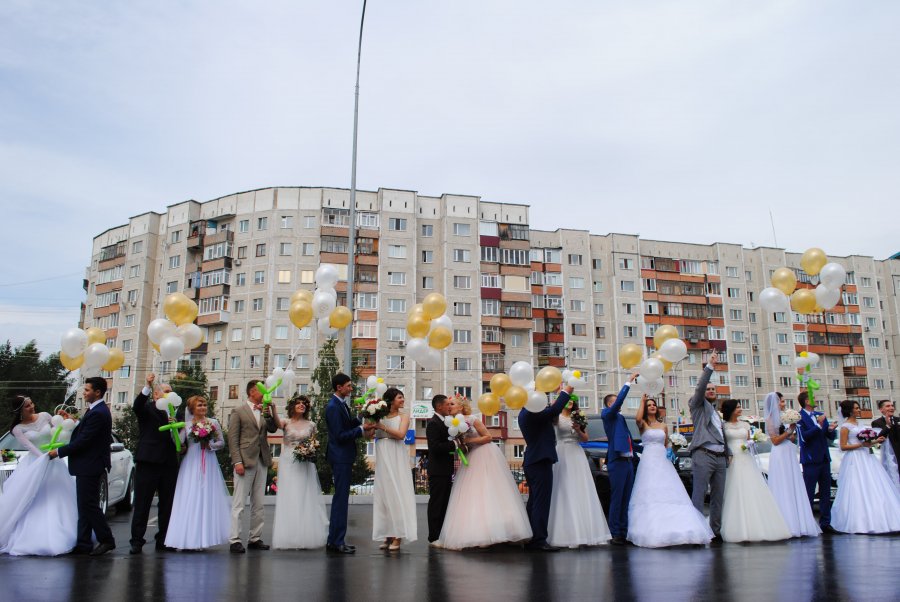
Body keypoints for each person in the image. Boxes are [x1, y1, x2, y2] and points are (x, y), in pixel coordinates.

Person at [437, 396, 532, 550]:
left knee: (488, 490)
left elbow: (488, 437)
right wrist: (460, 445)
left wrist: (468, 441)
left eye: (452, 404)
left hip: (484, 454)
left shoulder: (472, 419)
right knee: (472, 493)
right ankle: (477, 532)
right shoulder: (452, 423)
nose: (449, 406)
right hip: (471, 457)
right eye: (448, 404)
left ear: (461, 407)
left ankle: (501, 531)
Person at [626, 394, 712, 548]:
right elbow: (637, 419)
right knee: (650, 489)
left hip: (662, 459)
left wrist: (671, 450)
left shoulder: (663, 425)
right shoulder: (643, 423)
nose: (652, 406)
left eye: (654, 404)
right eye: (649, 405)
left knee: (670, 489)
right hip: (648, 459)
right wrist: (642, 401)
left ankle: (681, 527)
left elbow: (666, 444)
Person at [0, 395, 77, 556]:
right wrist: (44, 458)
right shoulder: (17, 429)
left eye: (31, 403)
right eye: (27, 406)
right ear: (20, 411)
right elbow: (29, 446)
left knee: (58, 496)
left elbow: (59, 432)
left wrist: (68, 421)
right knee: (36, 498)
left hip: (54, 460)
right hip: (37, 462)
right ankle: (35, 534)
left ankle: (63, 532)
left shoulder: (45, 416)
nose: (31, 407)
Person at [51, 377, 116, 556]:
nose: (84, 392)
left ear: (97, 392)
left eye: (87, 390)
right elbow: (85, 431)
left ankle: (107, 539)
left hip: (90, 465)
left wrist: (58, 452)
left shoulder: (99, 412)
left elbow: (85, 440)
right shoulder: (95, 410)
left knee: (89, 505)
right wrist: (73, 420)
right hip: (88, 465)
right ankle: (83, 543)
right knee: (85, 505)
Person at [719, 399, 791, 543]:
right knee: (734, 489)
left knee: (751, 488)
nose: (740, 409)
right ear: (730, 409)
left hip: (746, 457)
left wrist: (750, 443)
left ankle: (758, 523)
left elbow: (747, 440)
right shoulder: (723, 426)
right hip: (733, 459)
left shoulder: (745, 424)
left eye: (740, 407)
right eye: (738, 407)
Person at [164, 395, 230, 550]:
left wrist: (210, 445)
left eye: (205, 405)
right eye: (199, 405)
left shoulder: (213, 423)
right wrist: (174, 428)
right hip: (191, 462)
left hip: (208, 461)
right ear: (192, 408)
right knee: (190, 495)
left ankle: (203, 538)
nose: (203, 407)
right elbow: (178, 442)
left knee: (206, 497)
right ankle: (187, 537)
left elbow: (221, 442)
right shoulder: (186, 425)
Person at [547, 397, 611, 548]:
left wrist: (577, 429)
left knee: (580, 488)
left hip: (577, 453)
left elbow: (585, 438)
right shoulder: (556, 417)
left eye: (571, 400)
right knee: (563, 488)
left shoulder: (578, 416)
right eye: (567, 400)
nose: (569, 402)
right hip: (562, 452)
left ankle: (585, 531)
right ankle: (566, 533)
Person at [519, 383, 574, 552]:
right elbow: (553, 410)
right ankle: (539, 540)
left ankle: (531, 536)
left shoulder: (526, 413)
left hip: (534, 460)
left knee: (535, 502)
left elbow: (549, 412)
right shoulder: (531, 412)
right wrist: (565, 391)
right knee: (541, 502)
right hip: (539, 460)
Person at [325, 373, 376, 554]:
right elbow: (340, 435)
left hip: (343, 456)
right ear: (339, 387)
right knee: (340, 500)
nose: (351, 388)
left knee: (341, 499)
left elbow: (350, 424)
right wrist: (362, 429)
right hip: (340, 457)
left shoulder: (341, 404)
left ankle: (335, 540)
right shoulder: (333, 407)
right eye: (348, 385)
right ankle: (337, 541)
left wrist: (365, 418)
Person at [831, 400, 900, 534]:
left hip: (867, 457)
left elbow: (866, 443)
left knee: (875, 485)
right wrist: (862, 445)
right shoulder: (845, 426)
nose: (859, 410)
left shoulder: (859, 424)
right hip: (855, 459)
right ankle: (861, 521)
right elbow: (843, 446)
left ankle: (881, 518)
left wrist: (874, 441)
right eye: (856, 408)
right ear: (850, 411)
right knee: (858, 486)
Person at [129, 373, 179, 554]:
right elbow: (137, 406)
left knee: (167, 504)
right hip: (148, 462)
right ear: (156, 395)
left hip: (169, 464)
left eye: (171, 392)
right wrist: (147, 386)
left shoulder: (175, 413)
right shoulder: (148, 409)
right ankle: (137, 540)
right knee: (142, 503)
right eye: (165, 392)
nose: (169, 395)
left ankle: (163, 539)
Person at [228, 379, 279, 553]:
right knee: (239, 502)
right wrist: (237, 461)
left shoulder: (264, 409)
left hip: (261, 459)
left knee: (258, 502)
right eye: (261, 389)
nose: (265, 391)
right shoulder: (238, 411)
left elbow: (272, 429)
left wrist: (269, 410)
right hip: (245, 459)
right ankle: (235, 539)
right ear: (252, 392)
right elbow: (233, 439)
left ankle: (255, 538)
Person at [272, 395, 328, 549]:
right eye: (298, 403)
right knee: (289, 496)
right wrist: (273, 408)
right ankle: (288, 536)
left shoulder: (311, 424)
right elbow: (277, 423)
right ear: (292, 406)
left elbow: (315, 443)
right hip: (288, 462)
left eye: (304, 404)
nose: (302, 405)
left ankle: (305, 535)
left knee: (305, 496)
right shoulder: (286, 422)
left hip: (305, 463)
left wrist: (310, 450)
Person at [763, 392, 820, 538]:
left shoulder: (785, 417)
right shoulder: (770, 419)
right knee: (783, 484)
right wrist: (789, 430)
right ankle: (786, 522)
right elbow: (775, 440)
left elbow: (792, 438)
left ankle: (798, 521)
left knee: (793, 483)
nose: (783, 404)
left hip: (789, 451)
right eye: (781, 402)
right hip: (780, 453)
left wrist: (792, 432)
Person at [687, 353, 729, 542]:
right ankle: (696, 530)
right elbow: (701, 386)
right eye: (708, 389)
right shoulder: (697, 406)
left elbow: (722, 434)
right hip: (704, 454)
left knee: (718, 496)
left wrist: (727, 454)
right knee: (699, 493)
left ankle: (715, 531)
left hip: (720, 458)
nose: (711, 391)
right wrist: (710, 367)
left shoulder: (716, 413)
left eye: (714, 389)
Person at [372, 388, 417, 551]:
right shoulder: (379, 417)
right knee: (384, 495)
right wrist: (370, 425)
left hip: (396, 455)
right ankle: (387, 534)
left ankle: (398, 536)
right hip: (382, 455)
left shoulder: (404, 417)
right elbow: (368, 436)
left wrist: (382, 427)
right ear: (391, 400)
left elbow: (400, 435)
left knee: (397, 493)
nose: (403, 400)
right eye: (400, 397)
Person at [600, 374, 638, 545]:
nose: (618, 403)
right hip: (617, 462)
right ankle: (615, 532)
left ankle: (624, 531)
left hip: (628, 462)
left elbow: (629, 440)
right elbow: (619, 402)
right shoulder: (607, 414)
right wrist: (628, 382)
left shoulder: (621, 418)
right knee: (617, 497)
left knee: (626, 498)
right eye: (614, 401)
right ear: (609, 404)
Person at [795, 390, 838, 533]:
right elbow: (804, 438)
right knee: (809, 491)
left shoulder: (821, 415)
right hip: (810, 459)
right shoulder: (799, 417)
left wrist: (831, 429)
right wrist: (818, 426)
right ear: (807, 401)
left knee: (825, 492)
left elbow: (829, 436)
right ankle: (806, 523)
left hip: (824, 458)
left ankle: (826, 523)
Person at [426, 394, 457, 545]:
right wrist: (455, 445)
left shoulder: (444, 422)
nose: (449, 407)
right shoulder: (433, 423)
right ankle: (433, 536)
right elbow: (435, 447)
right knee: (436, 503)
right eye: (447, 405)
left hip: (445, 469)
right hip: (437, 470)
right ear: (439, 406)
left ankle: (441, 534)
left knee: (444, 503)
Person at [871, 399, 900, 491]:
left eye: (892, 406)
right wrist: (887, 426)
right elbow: (879, 438)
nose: (891, 408)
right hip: (890, 455)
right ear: (881, 409)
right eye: (888, 406)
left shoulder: (898, 420)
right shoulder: (877, 422)